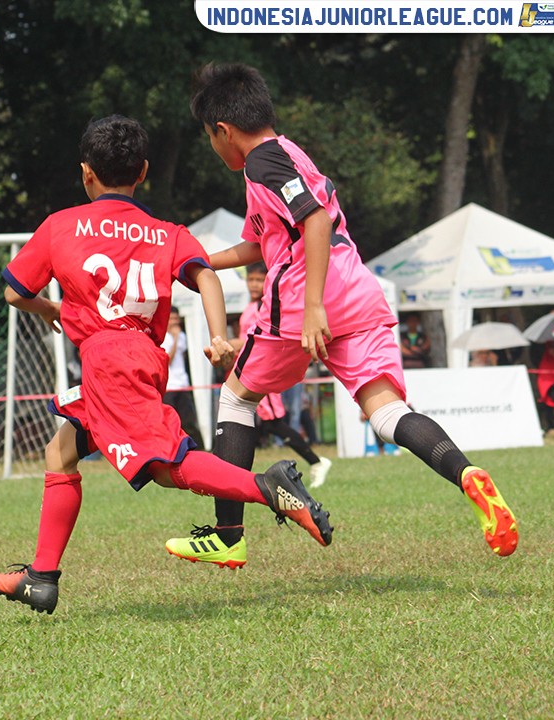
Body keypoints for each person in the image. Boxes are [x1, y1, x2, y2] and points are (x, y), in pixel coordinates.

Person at [166, 62, 518, 567]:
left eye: (209, 138)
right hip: (357, 288)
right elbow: (263, 243)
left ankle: (227, 536)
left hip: (309, 296)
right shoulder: (289, 153)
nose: (213, 147)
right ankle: (466, 474)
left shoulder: (262, 163)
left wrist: (311, 308)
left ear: (223, 130)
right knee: (387, 413)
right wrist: (201, 261)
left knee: (237, 400)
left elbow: (312, 219)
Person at [0, 115, 333, 615]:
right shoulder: (166, 233)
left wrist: (53, 308)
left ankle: (268, 488)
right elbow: (207, 278)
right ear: (143, 171)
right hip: (145, 357)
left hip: (107, 361)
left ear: (86, 173)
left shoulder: (60, 226)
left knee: (170, 467)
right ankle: (41, 578)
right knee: (61, 451)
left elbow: (14, 292)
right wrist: (217, 335)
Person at [236, 262, 332, 490]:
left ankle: (316, 461)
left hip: (260, 372)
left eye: (259, 280)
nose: (254, 284)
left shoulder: (266, 307)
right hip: (248, 371)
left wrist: (231, 344)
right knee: (260, 424)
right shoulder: (250, 307)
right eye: (251, 280)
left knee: (272, 423)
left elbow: (256, 339)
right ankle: (236, 475)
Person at [161, 306, 205, 448]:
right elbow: (169, 360)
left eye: (176, 318)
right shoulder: (164, 338)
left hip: (183, 383)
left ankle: (198, 448)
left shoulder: (183, 336)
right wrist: (174, 339)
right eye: (171, 319)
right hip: (170, 386)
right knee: (169, 422)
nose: (174, 322)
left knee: (188, 420)